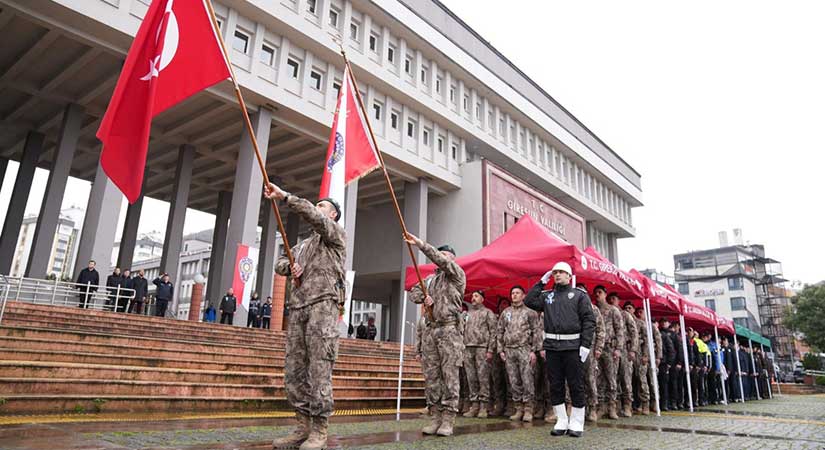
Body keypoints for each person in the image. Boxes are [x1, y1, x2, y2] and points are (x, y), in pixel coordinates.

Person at [266, 182, 347, 450]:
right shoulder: (303, 245)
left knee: (319, 367)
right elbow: (280, 264)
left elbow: (313, 215)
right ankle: (302, 426)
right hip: (299, 308)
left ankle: (319, 429)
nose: (317, 208)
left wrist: (286, 197)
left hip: (323, 305)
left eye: (322, 206)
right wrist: (291, 265)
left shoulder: (334, 235)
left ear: (332, 214)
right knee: (294, 370)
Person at [524, 262, 595, 438]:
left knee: (575, 385)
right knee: (555, 386)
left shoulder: (579, 295)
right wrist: (542, 281)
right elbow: (529, 301)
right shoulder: (548, 296)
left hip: (573, 348)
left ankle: (577, 422)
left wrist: (585, 345)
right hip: (552, 348)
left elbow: (589, 321)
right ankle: (561, 420)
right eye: (555, 273)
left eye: (561, 272)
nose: (557, 275)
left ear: (569, 276)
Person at [405, 233, 466, 437]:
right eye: (442, 255)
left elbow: (440, 261)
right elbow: (414, 293)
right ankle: (435, 415)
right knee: (432, 376)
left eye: (447, 255)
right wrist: (425, 296)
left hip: (449, 330)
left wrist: (421, 245)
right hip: (431, 330)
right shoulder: (430, 280)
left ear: (453, 259)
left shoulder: (457, 275)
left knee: (450, 375)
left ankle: (448, 418)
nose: (443, 258)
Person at [497, 285, 542, 423]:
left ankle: (528, 408)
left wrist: (534, 351)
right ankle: (518, 408)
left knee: (527, 380)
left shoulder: (530, 313)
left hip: (524, 349)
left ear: (523, 295)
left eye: (517, 293)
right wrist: (500, 350)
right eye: (512, 293)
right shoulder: (506, 313)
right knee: (513, 380)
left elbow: (537, 332)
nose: (514, 295)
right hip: (509, 350)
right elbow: (500, 331)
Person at [594, 285, 624, 420]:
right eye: (595, 293)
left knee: (611, 378)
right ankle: (601, 406)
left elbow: (620, 331)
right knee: (598, 378)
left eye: (600, 292)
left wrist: (618, 348)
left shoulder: (613, 310)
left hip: (610, 348)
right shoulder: (593, 310)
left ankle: (612, 406)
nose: (597, 295)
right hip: (597, 348)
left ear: (605, 294)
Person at [611, 296, 637, 417]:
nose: (612, 301)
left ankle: (627, 405)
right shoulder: (609, 312)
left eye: (614, 299)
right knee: (613, 379)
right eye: (610, 298)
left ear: (618, 301)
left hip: (625, 351)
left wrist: (633, 350)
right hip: (612, 349)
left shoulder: (625, 314)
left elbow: (634, 333)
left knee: (625, 379)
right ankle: (615, 405)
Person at [583, 285, 606, 422]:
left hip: (589, 349)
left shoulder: (593, 309)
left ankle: (592, 407)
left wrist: (598, 348)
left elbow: (600, 330)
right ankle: (574, 407)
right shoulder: (571, 308)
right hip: (573, 348)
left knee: (590, 378)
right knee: (573, 380)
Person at [628, 303, 650, 415]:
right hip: (627, 353)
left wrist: (645, 355)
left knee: (641, 379)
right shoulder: (623, 320)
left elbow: (646, 340)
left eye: (630, 308)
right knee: (629, 380)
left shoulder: (640, 323)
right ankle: (632, 404)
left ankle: (645, 403)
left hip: (639, 354)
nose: (628, 310)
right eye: (626, 308)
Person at [658, 318, 676, 411]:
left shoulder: (669, 335)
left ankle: (666, 403)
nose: (663, 323)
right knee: (660, 384)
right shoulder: (658, 332)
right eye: (662, 322)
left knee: (665, 384)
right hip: (658, 362)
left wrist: (669, 362)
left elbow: (672, 350)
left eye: (665, 321)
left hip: (665, 362)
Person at [669, 321, 685, 409]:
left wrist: (679, 362)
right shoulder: (674, 336)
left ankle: (678, 402)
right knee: (674, 383)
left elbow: (680, 350)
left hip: (678, 363)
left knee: (678, 383)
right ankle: (675, 402)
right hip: (674, 362)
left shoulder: (679, 337)